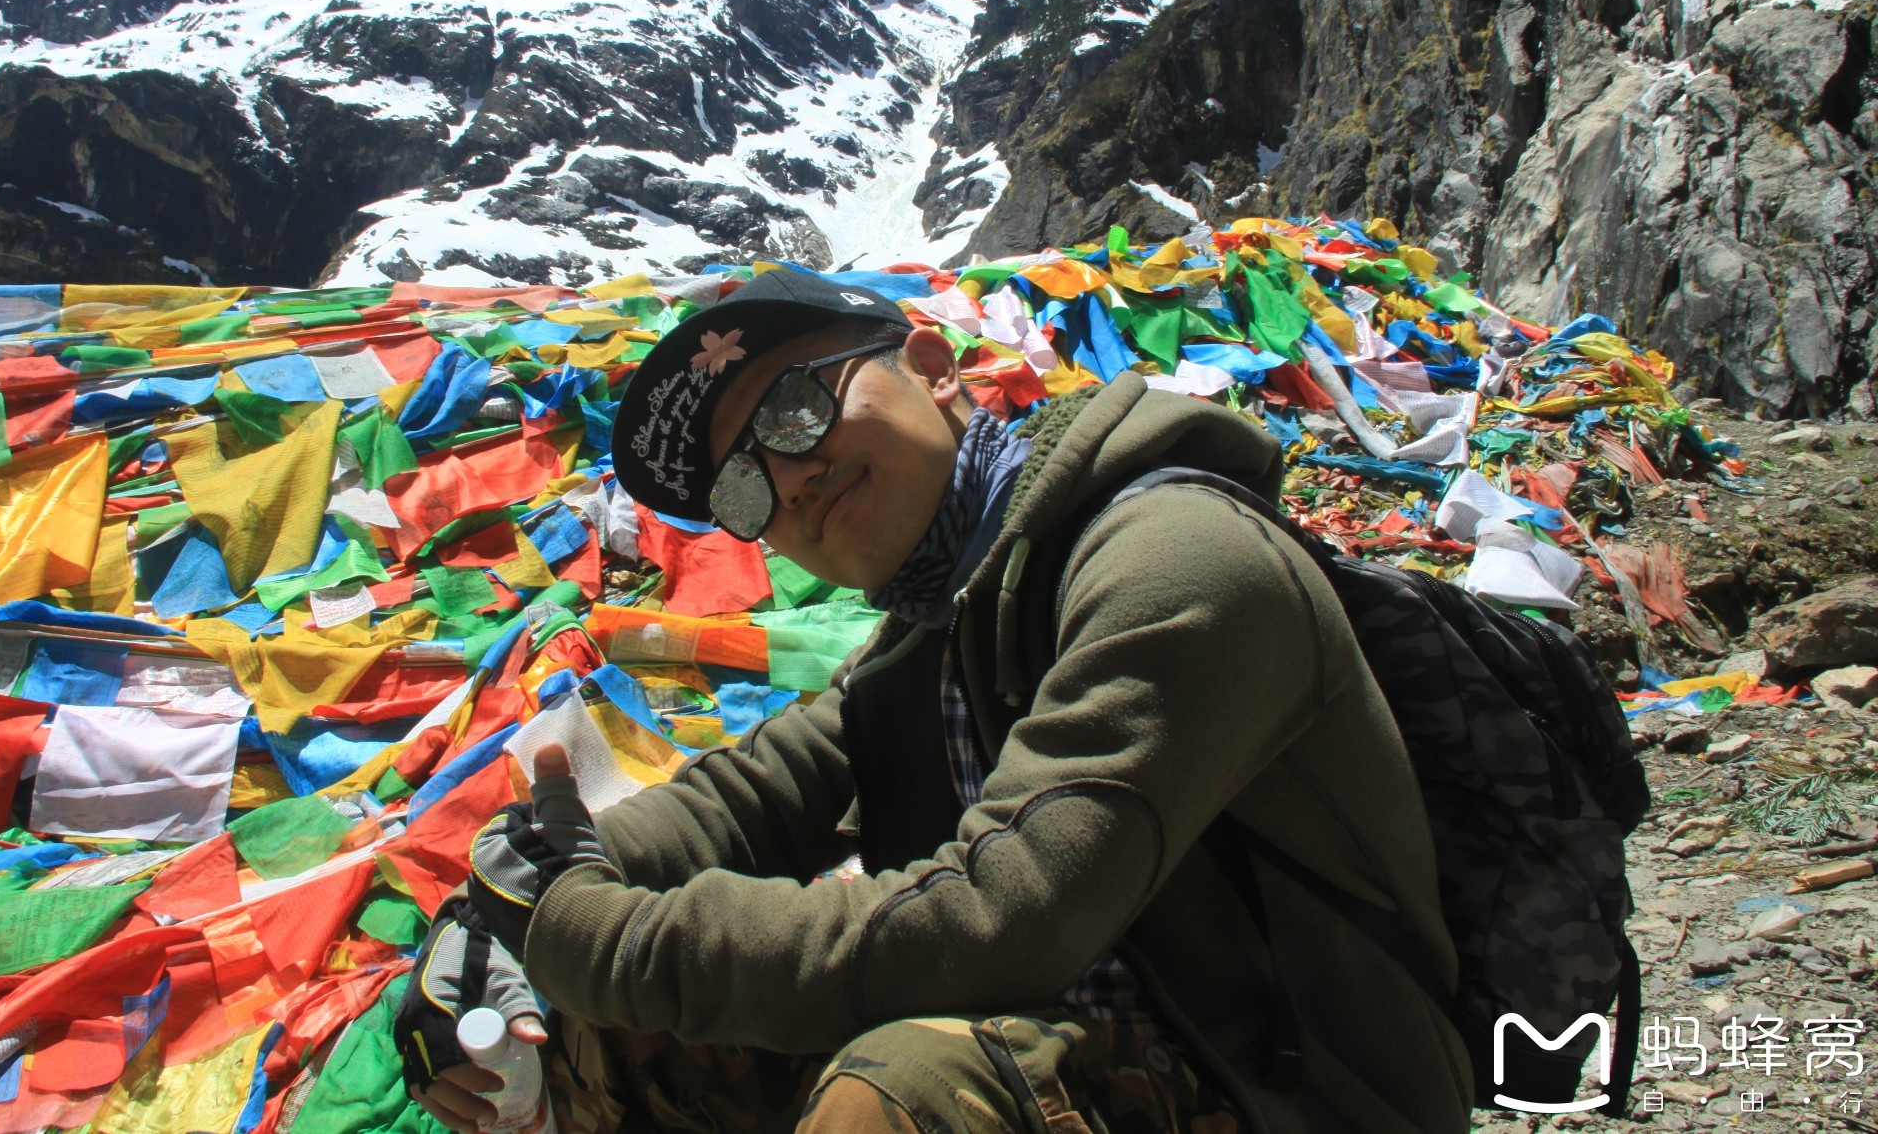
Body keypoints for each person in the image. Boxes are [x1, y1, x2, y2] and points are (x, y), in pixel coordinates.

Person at [397, 269, 1474, 1134]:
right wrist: (500, 903)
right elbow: (754, 792)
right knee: (589, 1029)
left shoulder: (1174, 559)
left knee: (902, 1092)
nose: (788, 477)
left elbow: (999, 917)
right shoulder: (940, 621)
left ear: (932, 367)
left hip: (1277, 1086)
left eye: (795, 405)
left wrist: (588, 936)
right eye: (741, 486)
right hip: (1085, 1043)